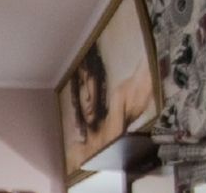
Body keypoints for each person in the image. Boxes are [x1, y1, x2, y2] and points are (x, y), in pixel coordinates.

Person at [66, 42, 154, 172]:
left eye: (90, 78)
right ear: (76, 96)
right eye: (81, 84)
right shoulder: (75, 154)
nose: (87, 96)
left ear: (100, 83)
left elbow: (145, 74)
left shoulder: (117, 106)